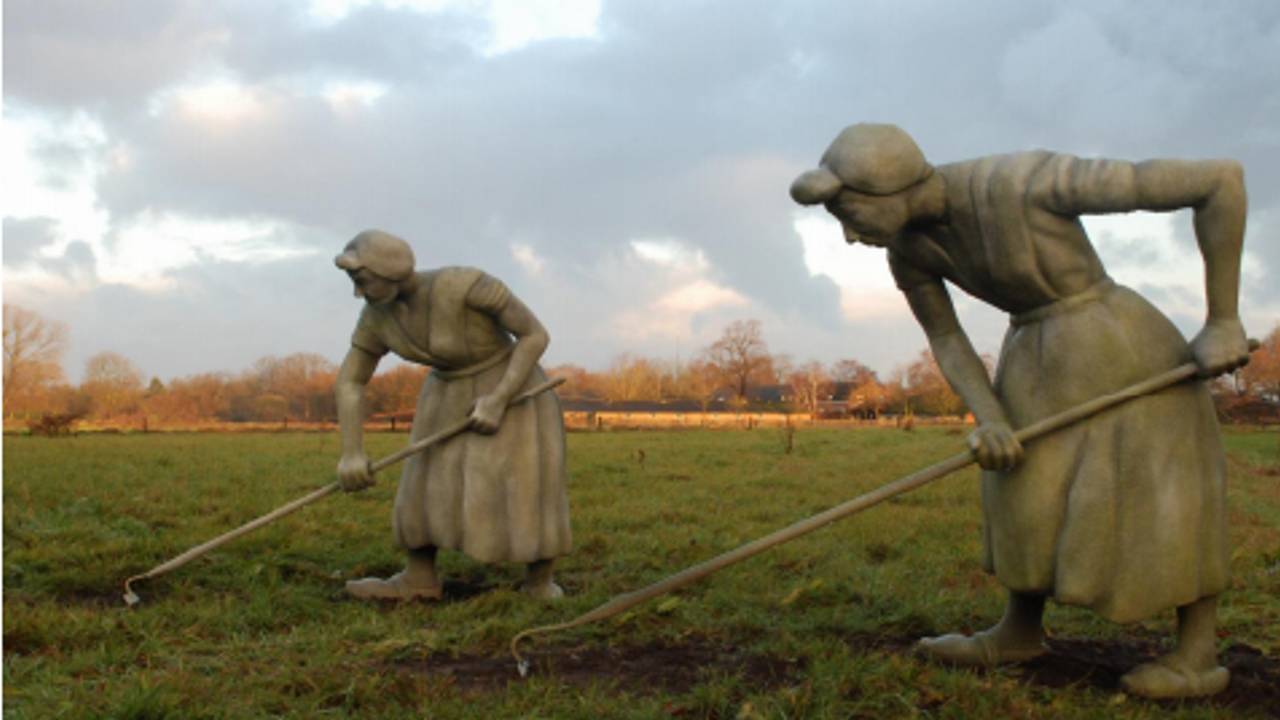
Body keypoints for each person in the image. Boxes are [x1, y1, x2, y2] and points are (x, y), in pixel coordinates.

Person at [790, 124, 1251, 699]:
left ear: (888, 193)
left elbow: (1218, 182)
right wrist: (989, 417)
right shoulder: (907, 250)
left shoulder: (1026, 181)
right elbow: (948, 338)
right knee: (1022, 491)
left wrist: (1224, 319)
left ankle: (1196, 654)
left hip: (1125, 352)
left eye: (852, 217)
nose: (851, 237)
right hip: (1032, 359)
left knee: (1162, 494)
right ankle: (1019, 630)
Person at [333, 229, 571, 601]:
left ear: (390, 271)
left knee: (521, 481)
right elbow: (351, 379)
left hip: (511, 386)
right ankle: (419, 578)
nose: (358, 293)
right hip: (445, 394)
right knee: (424, 481)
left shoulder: (468, 285)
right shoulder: (376, 317)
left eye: (362, 281)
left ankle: (539, 582)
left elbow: (534, 335)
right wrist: (351, 451)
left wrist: (498, 398)